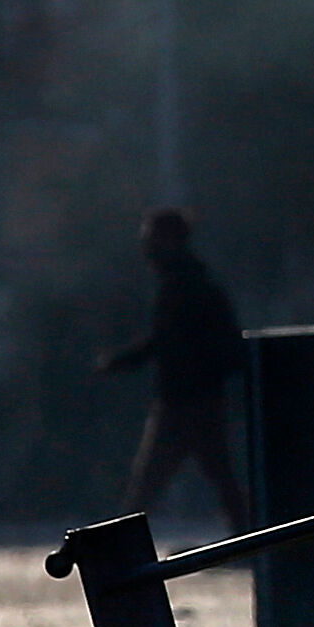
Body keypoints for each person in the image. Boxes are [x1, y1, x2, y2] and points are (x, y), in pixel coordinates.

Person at [99, 207, 250, 533]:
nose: (146, 247)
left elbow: (171, 342)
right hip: (197, 400)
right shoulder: (189, 283)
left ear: (168, 240)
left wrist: (123, 362)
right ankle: (252, 542)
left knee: (146, 490)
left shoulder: (184, 286)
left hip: (186, 403)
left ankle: (123, 549)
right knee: (222, 481)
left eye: (151, 239)